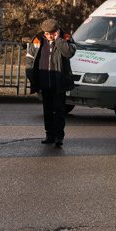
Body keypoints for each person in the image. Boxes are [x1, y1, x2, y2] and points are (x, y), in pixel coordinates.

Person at [29, 19, 76, 148]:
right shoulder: (38, 39)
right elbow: (30, 58)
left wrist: (58, 40)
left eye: (51, 33)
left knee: (59, 110)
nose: (48, 35)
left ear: (57, 31)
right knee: (47, 110)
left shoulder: (65, 37)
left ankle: (59, 137)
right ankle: (49, 135)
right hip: (44, 82)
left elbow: (69, 52)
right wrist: (31, 76)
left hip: (59, 82)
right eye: (46, 33)